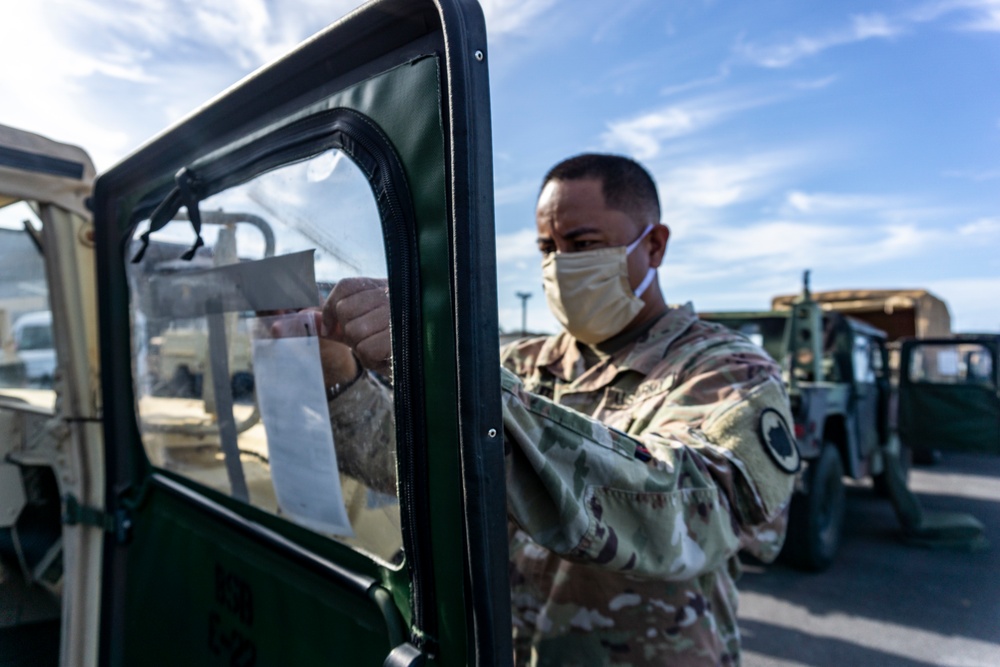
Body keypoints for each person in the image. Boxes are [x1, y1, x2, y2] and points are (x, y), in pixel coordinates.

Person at [319, 154, 798, 666]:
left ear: (654, 245)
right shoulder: (516, 361)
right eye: (547, 248)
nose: (558, 265)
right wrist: (338, 374)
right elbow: (413, 464)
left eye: (583, 245)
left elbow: (689, 515)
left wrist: (457, 376)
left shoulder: (728, 370)